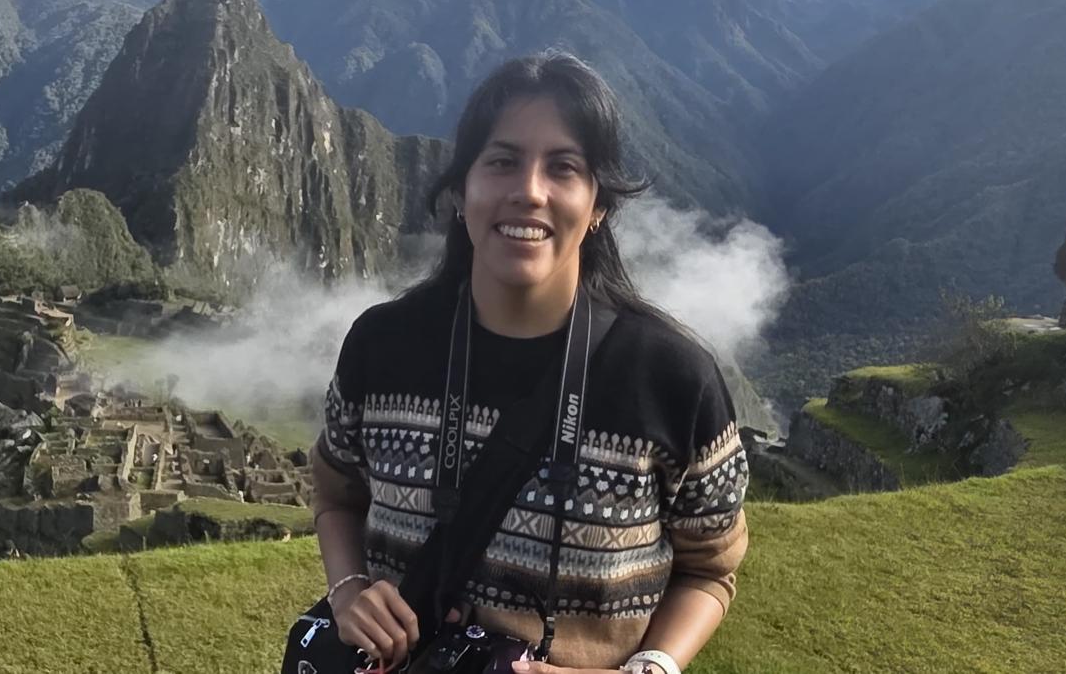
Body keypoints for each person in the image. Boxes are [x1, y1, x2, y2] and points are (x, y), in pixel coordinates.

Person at [311, 53, 749, 673]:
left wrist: (648, 670)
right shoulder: (382, 347)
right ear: (462, 191)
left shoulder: (672, 378)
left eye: (563, 167)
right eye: (502, 161)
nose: (530, 191)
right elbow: (336, 496)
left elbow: (711, 569)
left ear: (598, 204)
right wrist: (349, 588)